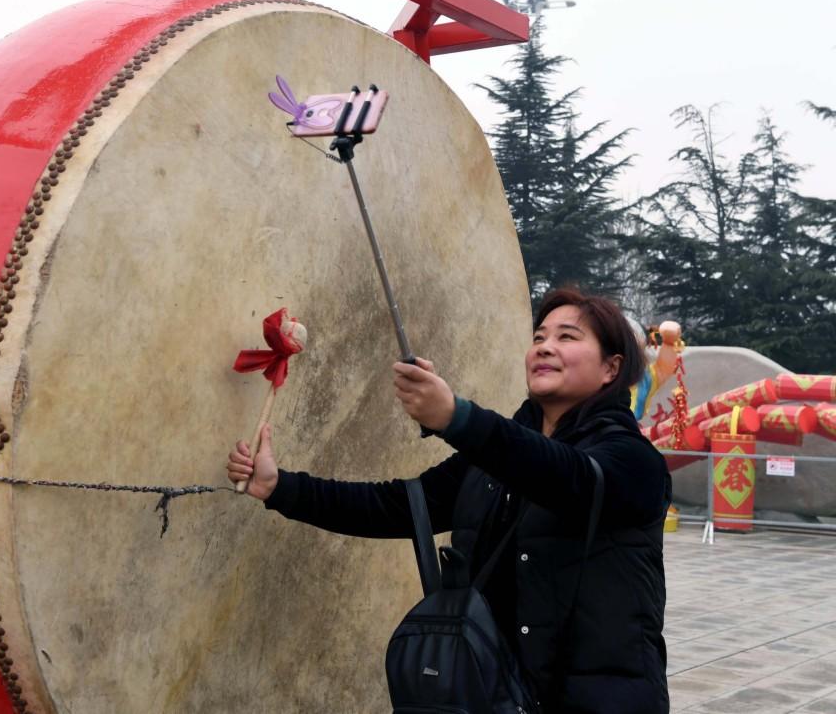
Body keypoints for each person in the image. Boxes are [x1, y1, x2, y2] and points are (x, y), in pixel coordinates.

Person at [227, 287, 671, 713]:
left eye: (566, 338)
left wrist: (456, 418)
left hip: (598, 701)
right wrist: (281, 487)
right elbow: (399, 506)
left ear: (611, 369)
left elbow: (564, 475)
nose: (544, 346)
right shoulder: (495, 461)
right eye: (539, 337)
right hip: (491, 694)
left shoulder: (633, 462)